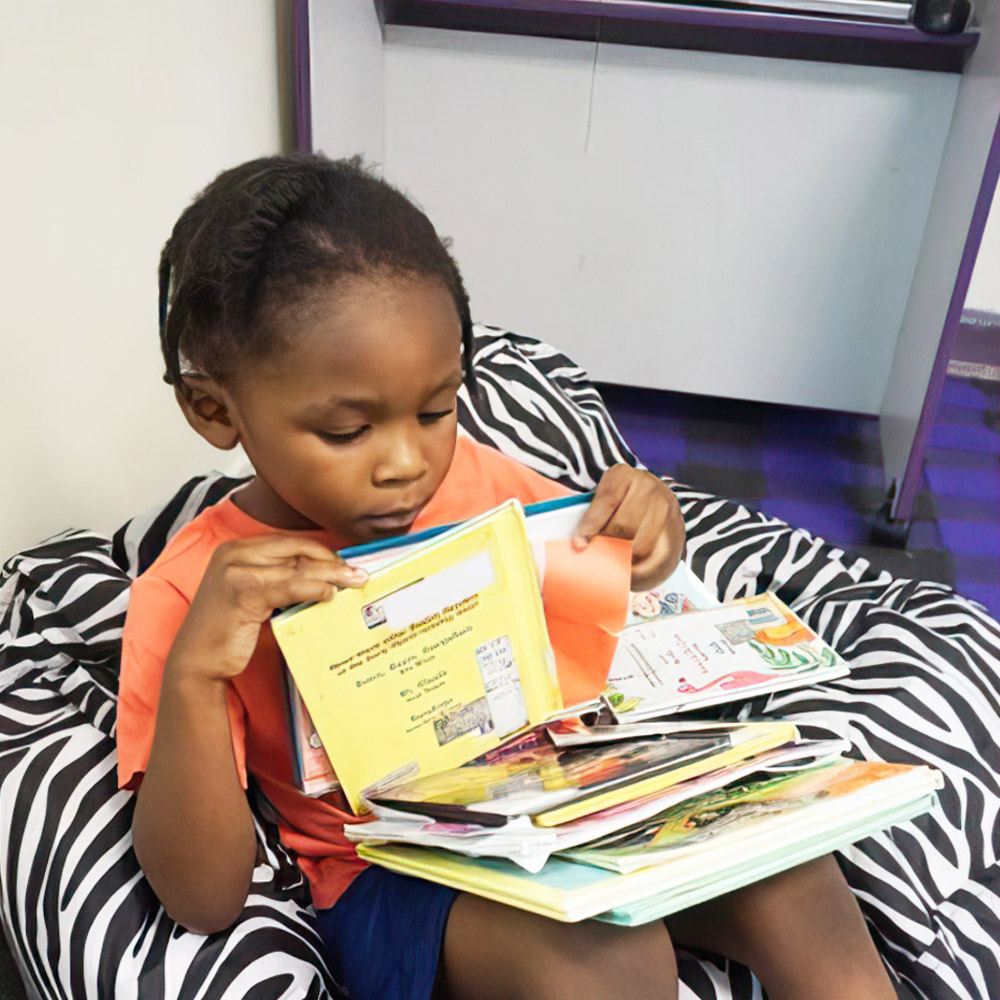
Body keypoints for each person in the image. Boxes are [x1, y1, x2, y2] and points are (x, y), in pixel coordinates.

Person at [117, 153, 897, 1000]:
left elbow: (611, 575)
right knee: (607, 964)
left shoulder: (487, 488)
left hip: (573, 797)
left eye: (436, 409)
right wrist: (197, 674)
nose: (407, 464)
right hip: (399, 872)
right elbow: (202, 897)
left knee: (794, 870)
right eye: (348, 432)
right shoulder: (193, 593)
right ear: (214, 409)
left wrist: (651, 541)